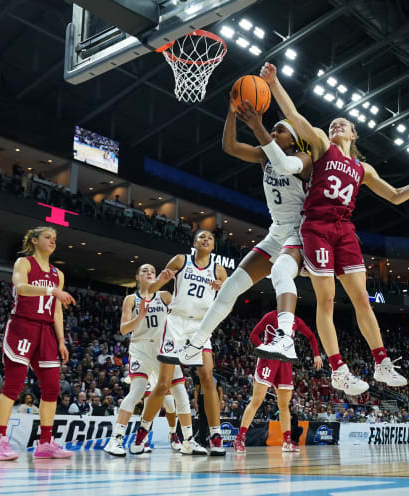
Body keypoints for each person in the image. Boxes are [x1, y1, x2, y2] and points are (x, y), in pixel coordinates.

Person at [259, 62, 409, 395]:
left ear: (354, 135)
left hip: (344, 230)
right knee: (326, 301)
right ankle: (338, 369)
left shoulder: (362, 168)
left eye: (345, 123)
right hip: (316, 227)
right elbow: (295, 118)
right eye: (334, 122)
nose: (337, 123)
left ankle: (381, 363)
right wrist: (274, 82)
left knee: (362, 299)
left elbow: (396, 196)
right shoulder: (323, 146)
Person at [181, 101, 313, 364]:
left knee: (280, 273)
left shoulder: (303, 159)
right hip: (276, 233)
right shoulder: (265, 156)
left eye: (279, 131)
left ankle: (286, 336)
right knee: (231, 287)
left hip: (299, 233)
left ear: (294, 139)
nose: (273, 134)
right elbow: (230, 147)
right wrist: (231, 112)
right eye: (272, 130)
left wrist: (257, 126)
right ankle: (196, 342)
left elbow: (285, 166)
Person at [130, 231, 227, 456]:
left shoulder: (219, 270)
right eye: (202, 237)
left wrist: (222, 289)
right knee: (164, 384)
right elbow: (150, 290)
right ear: (194, 243)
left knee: (207, 378)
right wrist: (161, 280)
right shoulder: (181, 260)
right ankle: (142, 434)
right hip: (176, 324)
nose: (206, 240)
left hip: (201, 326)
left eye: (210, 238)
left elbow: (228, 300)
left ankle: (215, 435)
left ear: (213, 245)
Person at [0, 226, 76, 461]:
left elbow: (57, 310)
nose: (53, 241)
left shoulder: (58, 273)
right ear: (35, 240)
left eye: (55, 239)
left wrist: (61, 340)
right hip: (23, 326)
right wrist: (52, 290)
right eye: (48, 237)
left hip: (47, 332)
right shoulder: (24, 263)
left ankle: (45, 443)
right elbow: (21, 288)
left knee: (52, 389)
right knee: (13, 385)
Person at [104, 264, 205, 457]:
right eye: (144, 270)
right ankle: (115, 440)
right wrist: (139, 317)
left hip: (164, 347)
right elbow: (124, 329)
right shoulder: (131, 299)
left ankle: (187, 440)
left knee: (179, 394)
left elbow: (185, 308)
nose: (149, 272)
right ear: (137, 277)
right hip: (140, 348)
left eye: (152, 270)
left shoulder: (165, 296)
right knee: (137, 391)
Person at [233, 311, 322, 454]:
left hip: (285, 362)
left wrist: (316, 354)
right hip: (268, 360)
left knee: (284, 405)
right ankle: (240, 438)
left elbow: (311, 336)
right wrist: (264, 349)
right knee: (257, 401)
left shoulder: (296, 320)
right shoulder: (271, 316)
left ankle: (287, 441)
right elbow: (254, 335)